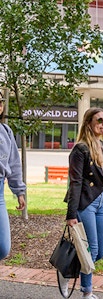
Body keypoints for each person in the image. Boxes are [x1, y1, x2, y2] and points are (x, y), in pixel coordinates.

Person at [64, 107, 103, 299]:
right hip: (85, 203)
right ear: (88, 123)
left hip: (101, 203)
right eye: (99, 120)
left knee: (99, 252)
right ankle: (87, 292)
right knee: (91, 249)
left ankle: (68, 270)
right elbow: (75, 182)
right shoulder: (80, 149)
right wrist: (71, 214)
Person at [0, 95, 26, 261]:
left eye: (0, 103)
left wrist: (19, 192)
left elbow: (14, 164)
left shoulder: (5, 131)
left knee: (3, 247)